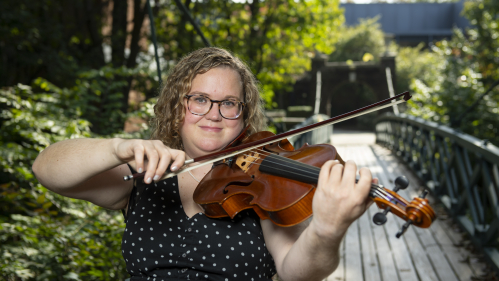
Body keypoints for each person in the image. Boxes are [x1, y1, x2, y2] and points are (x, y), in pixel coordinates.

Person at [32, 47, 375, 281]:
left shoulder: (261, 183)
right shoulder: (146, 174)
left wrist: (327, 231)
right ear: (177, 107)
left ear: (243, 114)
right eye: (199, 99)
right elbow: (47, 170)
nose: (213, 113)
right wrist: (118, 147)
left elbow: (295, 271)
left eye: (229, 103)